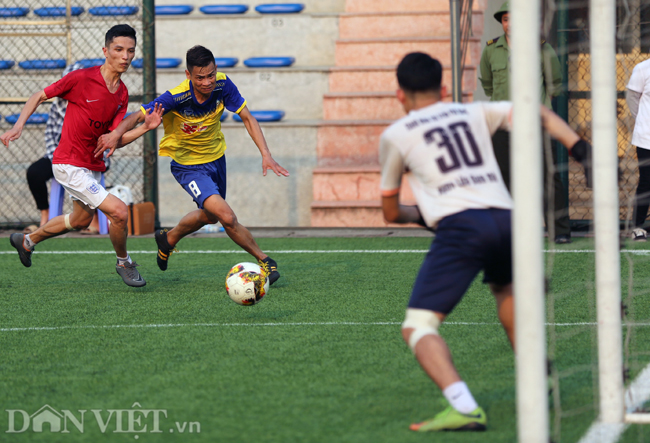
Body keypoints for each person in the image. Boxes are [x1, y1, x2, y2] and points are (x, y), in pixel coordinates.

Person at [380, 52, 591, 431]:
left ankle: (463, 407)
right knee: (505, 290)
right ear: (444, 89)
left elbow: (391, 213)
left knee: (418, 327)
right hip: (510, 219)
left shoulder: (396, 136)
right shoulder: (472, 112)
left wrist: (427, 216)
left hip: (462, 228)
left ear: (399, 95)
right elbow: (538, 113)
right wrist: (581, 151)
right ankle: (538, 381)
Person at [95, 45, 289, 284]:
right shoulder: (177, 97)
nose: (207, 82)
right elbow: (137, 116)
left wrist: (266, 154)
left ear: (215, 70)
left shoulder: (223, 84)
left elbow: (247, 116)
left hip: (217, 160)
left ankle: (169, 239)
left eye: (210, 75)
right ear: (188, 75)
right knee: (227, 216)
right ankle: (265, 261)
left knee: (210, 217)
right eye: (200, 77)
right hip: (188, 167)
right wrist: (115, 134)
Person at [1, 24, 160, 287]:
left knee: (80, 220)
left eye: (130, 51)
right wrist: (19, 125)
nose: (125, 56)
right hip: (68, 163)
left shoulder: (121, 94)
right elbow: (40, 95)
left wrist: (145, 127)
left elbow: (113, 141)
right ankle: (124, 262)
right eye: (118, 49)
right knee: (119, 212)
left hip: (92, 164)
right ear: (105, 51)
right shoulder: (81, 78)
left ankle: (27, 241)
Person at [479, 0, 573, 244]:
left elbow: (554, 86)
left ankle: (560, 231)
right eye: (506, 19)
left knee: (548, 178)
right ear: (502, 22)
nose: (510, 23)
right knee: (503, 178)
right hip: (503, 126)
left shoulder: (542, 49)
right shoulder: (490, 50)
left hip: (537, 125)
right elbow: (488, 85)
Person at [24, 62, 107, 235]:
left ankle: (96, 222)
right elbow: (50, 135)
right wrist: (59, 158)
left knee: (91, 178)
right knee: (34, 173)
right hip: (61, 155)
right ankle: (45, 217)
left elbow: (105, 137)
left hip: (92, 156)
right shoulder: (57, 105)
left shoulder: (97, 103)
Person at [626, 59, 650, 241]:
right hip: (647, 138)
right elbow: (632, 97)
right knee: (646, 182)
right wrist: (642, 120)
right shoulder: (643, 68)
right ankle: (638, 227)